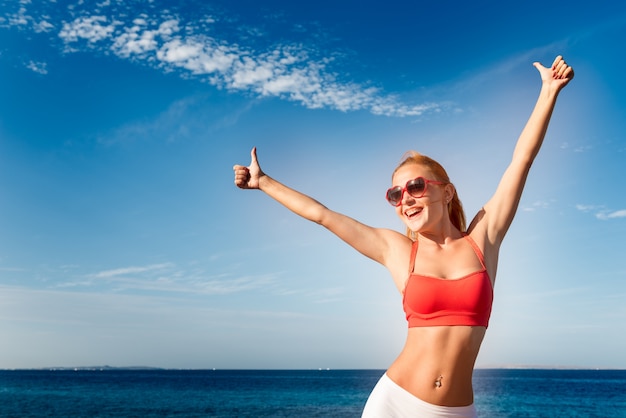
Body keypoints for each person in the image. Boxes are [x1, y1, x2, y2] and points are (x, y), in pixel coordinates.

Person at [233, 55, 574, 417]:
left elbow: (521, 161)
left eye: (415, 186)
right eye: (396, 194)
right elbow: (323, 216)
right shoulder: (398, 251)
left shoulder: (483, 239)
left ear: (447, 192)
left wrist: (548, 92)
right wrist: (264, 182)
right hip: (394, 404)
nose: (405, 198)